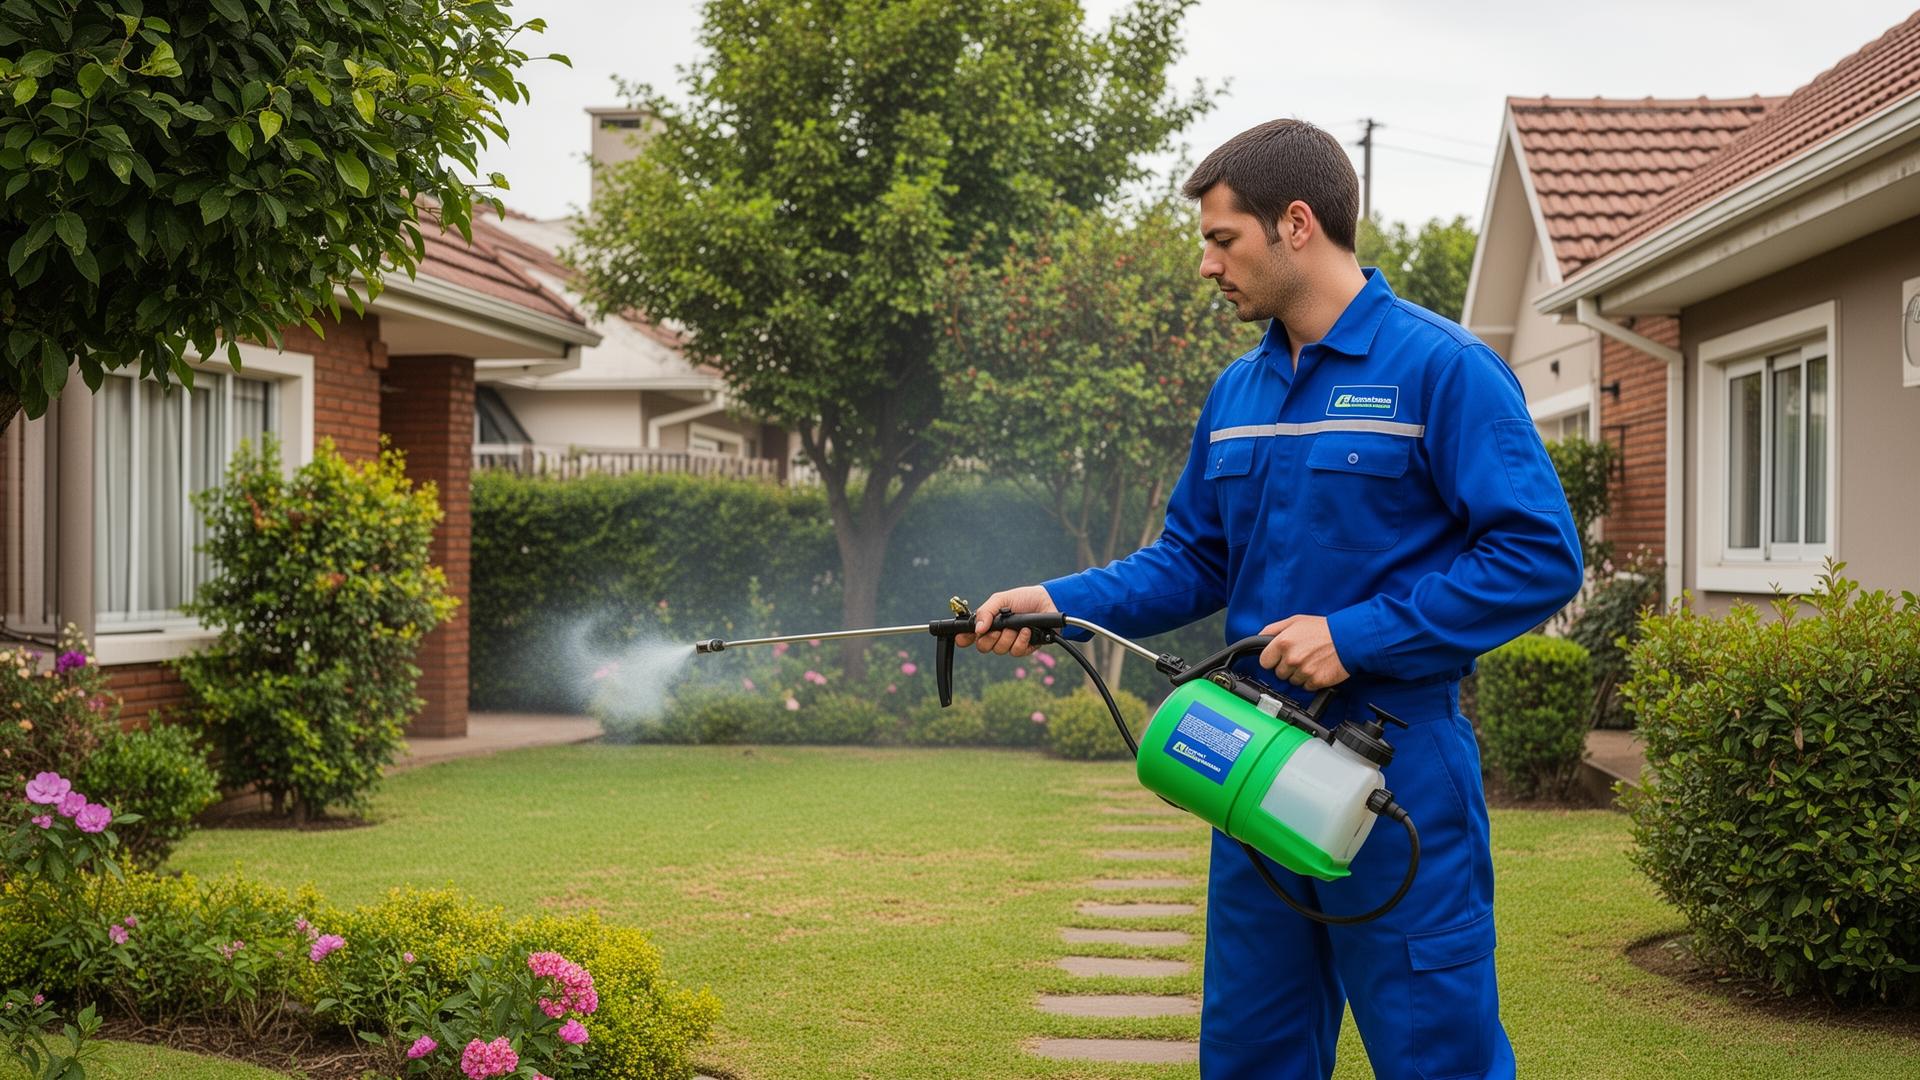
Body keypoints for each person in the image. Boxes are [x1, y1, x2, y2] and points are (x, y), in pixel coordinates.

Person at [957, 119, 1582, 1080]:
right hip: (1253, 757)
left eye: (1222, 238)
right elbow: (1190, 562)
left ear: (1296, 223)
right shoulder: (1237, 393)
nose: (1207, 266)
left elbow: (1538, 556)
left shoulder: (1444, 369)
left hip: (1398, 763)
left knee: (1436, 1055)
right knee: (1253, 1052)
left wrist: (1354, 636)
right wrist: (1055, 602)